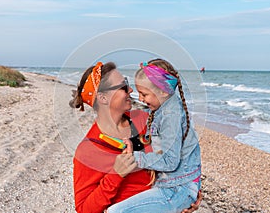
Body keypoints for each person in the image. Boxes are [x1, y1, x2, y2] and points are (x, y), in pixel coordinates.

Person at [69, 61, 201, 213]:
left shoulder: (145, 120)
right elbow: (84, 209)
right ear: (103, 98)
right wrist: (116, 175)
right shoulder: (88, 151)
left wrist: (188, 194)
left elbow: (178, 153)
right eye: (124, 86)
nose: (130, 90)